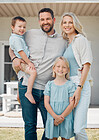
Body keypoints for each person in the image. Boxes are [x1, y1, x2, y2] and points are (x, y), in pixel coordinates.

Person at [9, 8, 67, 140]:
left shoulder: (63, 40)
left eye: (47, 19)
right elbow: (13, 47)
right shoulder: (28, 34)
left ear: (53, 20)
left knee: (51, 126)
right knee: (30, 125)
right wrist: (14, 58)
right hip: (27, 86)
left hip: (48, 90)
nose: (45, 22)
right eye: (42, 19)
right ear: (39, 21)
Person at [60, 12, 93, 140]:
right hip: (68, 86)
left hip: (81, 85)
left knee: (78, 128)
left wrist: (79, 88)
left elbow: (87, 64)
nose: (67, 25)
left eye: (70, 22)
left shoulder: (81, 40)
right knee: (68, 128)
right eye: (64, 22)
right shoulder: (67, 43)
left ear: (75, 24)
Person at [44, 56, 75, 140]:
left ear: (67, 70)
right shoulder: (49, 85)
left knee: (65, 138)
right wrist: (55, 117)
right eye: (58, 66)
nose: (61, 69)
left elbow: (72, 103)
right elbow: (46, 103)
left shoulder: (70, 85)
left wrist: (61, 117)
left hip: (66, 117)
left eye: (64, 67)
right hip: (52, 117)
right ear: (54, 68)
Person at [9, 16, 37, 104]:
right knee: (33, 72)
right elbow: (21, 52)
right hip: (21, 61)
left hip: (20, 62)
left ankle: (18, 95)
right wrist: (29, 62)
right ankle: (28, 93)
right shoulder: (16, 39)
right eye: (19, 26)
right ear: (12, 27)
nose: (22, 29)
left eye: (24, 27)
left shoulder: (18, 37)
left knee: (23, 77)